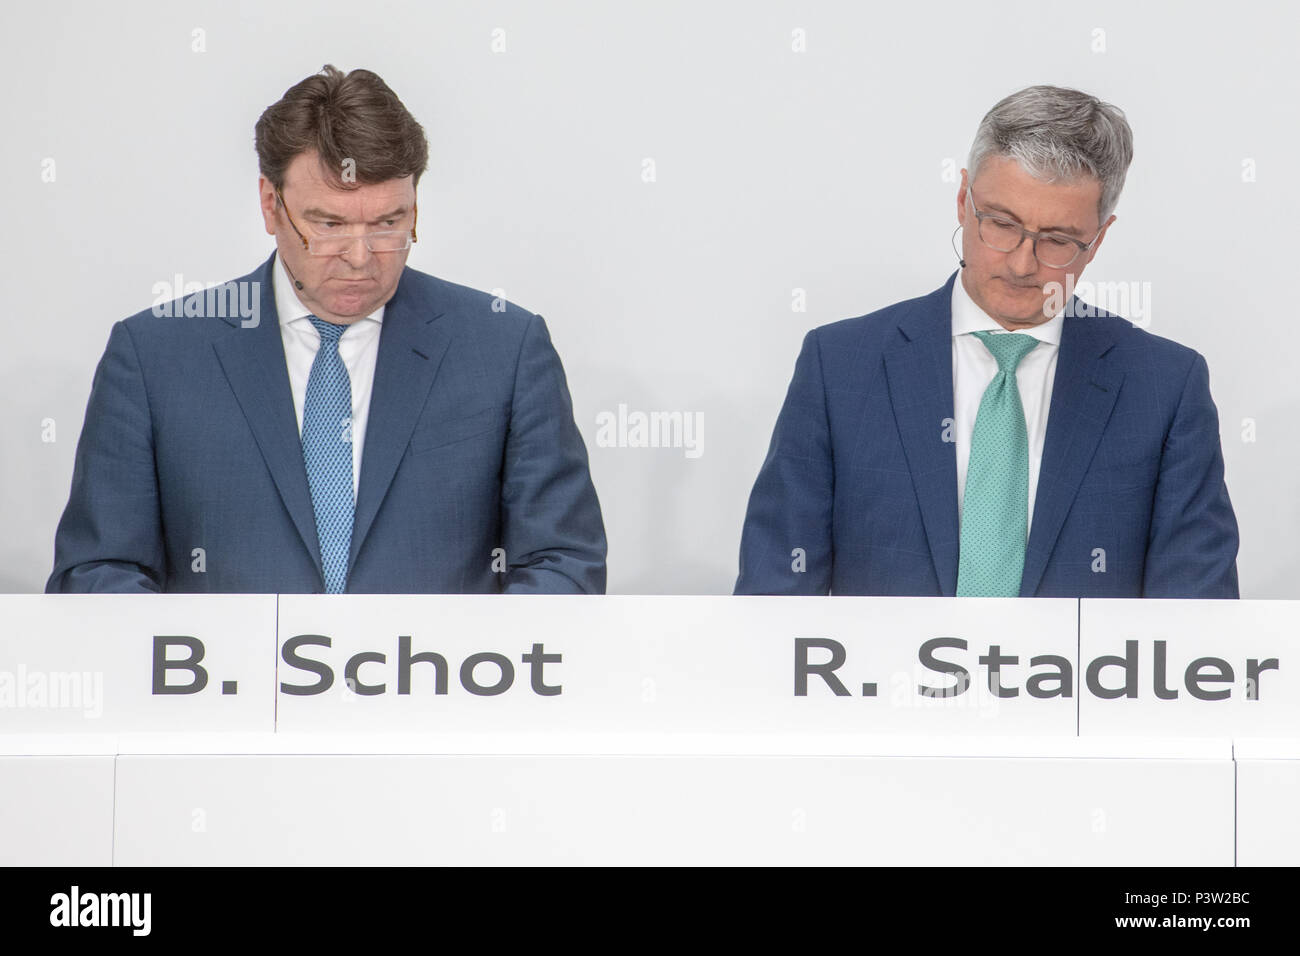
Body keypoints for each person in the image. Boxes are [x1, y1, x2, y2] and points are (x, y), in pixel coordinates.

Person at [48, 65, 606, 594]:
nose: (361, 257)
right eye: (329, 224)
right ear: (271, 205)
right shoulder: (154, 356)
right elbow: (99, 570)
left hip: (437, 690)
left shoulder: (505, 349)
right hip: (225, 691)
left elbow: (563, 563)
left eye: (389, 223)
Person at [736, 85, 1238, 598]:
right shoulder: (839, 368)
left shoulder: (1165, 388)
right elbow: (773, 602)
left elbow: (1197, 630)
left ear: (1099, 238)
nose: (1022, 263)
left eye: (1059, 240)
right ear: (962, 200)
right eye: (1001, 224)